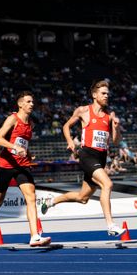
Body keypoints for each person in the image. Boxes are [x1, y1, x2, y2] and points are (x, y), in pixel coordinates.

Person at [41, 80, 126, 236]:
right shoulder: (83, 111)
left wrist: (116, 127)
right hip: (87, 155)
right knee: (107, 184)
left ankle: (51, 201)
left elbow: (115, 141)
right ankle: (111, 225)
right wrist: (69, 142)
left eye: (108, 93)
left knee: (83, 198)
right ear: (94, 95)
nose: (107, 96)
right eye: (103, 93)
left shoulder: (108, 117)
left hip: (101, 158)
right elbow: (66, 126)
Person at [0, 91, 51, 247]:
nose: (32, 104)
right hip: (6, 165)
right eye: (28, 101)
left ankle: (34, 236)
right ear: (20, 104)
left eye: (32, 102)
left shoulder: (31, 124)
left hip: (22, 165)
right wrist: (14, 147)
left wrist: (28, 153)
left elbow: (23, 143)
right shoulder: (13, 119)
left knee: (31, 197)